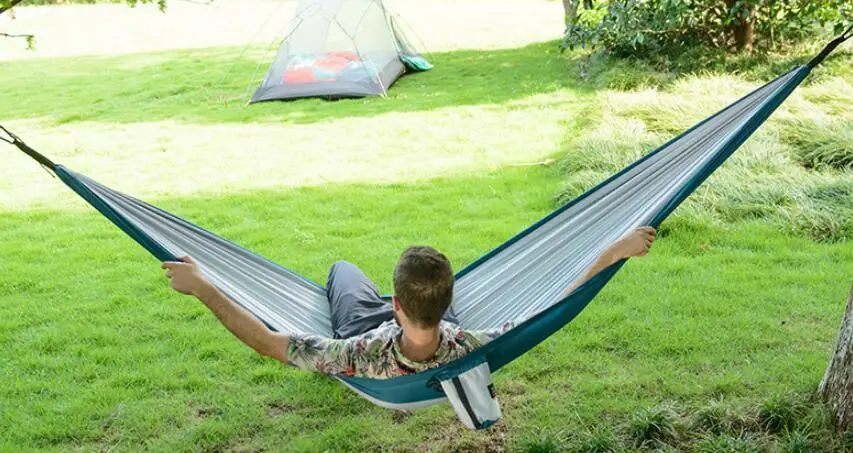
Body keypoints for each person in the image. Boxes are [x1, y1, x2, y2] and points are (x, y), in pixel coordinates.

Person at [162, 227, 657, 379]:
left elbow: (270, 343)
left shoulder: (356, 355)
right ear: (451, 295)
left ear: (395, 302)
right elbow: (552, 306)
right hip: (438, 326)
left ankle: (359, 285)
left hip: (361, 326)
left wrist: (204, 287)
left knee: (341, 270)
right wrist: (614, 252)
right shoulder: (470, 343)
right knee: (345, 275)